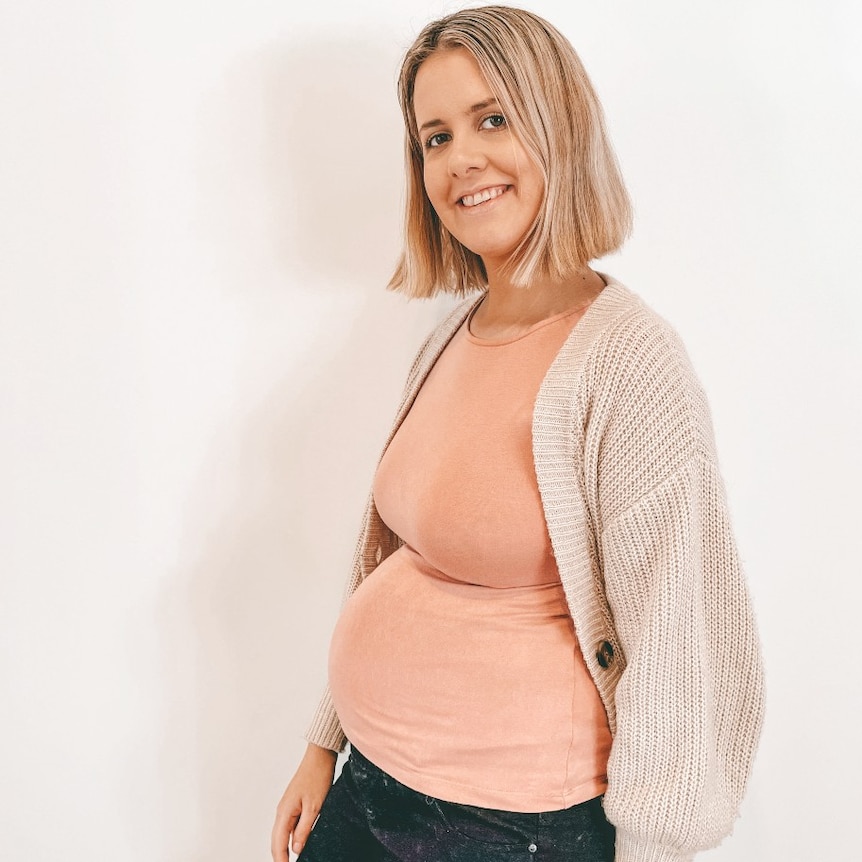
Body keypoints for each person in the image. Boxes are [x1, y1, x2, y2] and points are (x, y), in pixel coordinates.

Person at [271, 6, 764, 862]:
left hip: (513, 831)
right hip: (372, 787)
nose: (460, 159)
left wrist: (649, 849)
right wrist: (325, 740)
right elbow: (390, 558)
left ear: (559, 126)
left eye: (492, 118)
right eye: (434, 137)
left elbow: (680, 646)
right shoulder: (452, 334)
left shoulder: (629, 364)